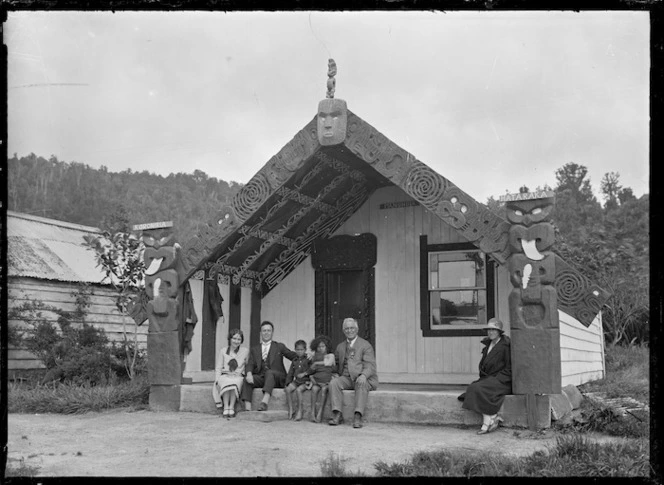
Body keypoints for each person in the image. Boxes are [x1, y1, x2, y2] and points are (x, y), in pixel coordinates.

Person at [461, 318, 512, 434]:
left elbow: (510, 368)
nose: (490, 332)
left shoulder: (505, 346)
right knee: (473, 388)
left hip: (503, 380)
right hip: (489, 378)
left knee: (477, 388)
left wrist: (496, 379)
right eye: (489, 330)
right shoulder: (488, 345)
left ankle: (487, 421)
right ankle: (492, 417)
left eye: (493, 330)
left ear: (499, 332)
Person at [328, 318, 378, 429]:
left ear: (357, 329)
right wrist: (332, 368)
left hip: (362, 377)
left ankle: (358, 415)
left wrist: (364, 375)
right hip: (346, 377)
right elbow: (336, 364)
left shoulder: (365, 345)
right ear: (343, 330)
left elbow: (370, 365)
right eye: (347, 328)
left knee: (361, 383)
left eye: (352, 328)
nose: (349, 331)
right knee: (334, 383)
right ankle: (337, 413)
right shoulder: (340, 346)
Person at [241, 321, 297, 411]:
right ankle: (248, 408)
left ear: (272, 332)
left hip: (278, 378)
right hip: (262, 377)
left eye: (268, 330)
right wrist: (248, 374)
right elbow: (250, 363)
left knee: (269, 372)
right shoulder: (255, 349)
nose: (266, 333)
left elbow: (293, 356)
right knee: (246, 379)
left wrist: (307, 355)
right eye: (264, 331)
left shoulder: (279, 346)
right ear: (260, 333)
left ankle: (264, 402)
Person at [213, 328, 249, 418]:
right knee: (225, 381)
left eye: (239, 339)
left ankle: (231, 406)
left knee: (235, 382)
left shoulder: (245, 351)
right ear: (230, 339)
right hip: (225, 374)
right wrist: (217, 380)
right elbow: (218, 367)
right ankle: (226, 406)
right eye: (234, 338)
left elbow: (247, 365)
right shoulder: (223, 351)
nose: (236, 341)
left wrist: (240, 373)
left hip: (238, 375)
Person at [307, 335, 336, 423]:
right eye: (319, 347)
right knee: (314, 390)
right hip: (317, 381)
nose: (321, 348)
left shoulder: (330, 355)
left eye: (323, 346)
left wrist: (316, 363)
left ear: (327, 347)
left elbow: (328, 363)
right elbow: (311, 368)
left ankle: (320, 413)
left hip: (327, 381)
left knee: (324, 390)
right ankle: (312, 413)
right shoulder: (315, 356)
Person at [284, 340, 312, 421]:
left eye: (301, 350)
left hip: (306, 382)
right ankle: (291, 410)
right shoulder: (294, 360)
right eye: (298, 350)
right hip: (297, 381)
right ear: (295, 350)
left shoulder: (308, 359)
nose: (300, 352)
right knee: (288, 389)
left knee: (298, 390)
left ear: (305, 350)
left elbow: (312, 369)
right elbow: (290, 373)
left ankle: (300, 411)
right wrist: (287, 383)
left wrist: (310, 379)